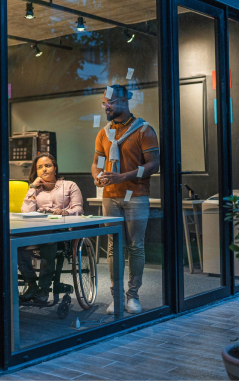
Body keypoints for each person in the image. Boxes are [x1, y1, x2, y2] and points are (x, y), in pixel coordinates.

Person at [91, 84, 160, 315]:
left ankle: (133, 296)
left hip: (136, 195)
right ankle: (117, 297)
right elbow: (97, 164)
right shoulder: (104, 133)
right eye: (104, 103)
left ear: (123, 101)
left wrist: (123, 176)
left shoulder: (144, 130)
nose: (106, 106)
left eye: (109, 102)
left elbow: (153, 165)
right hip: (110, 197)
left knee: (136, 247)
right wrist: (97, 177)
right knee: (113, 248)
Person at [18, 153, 84, 303]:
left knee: (49, 242)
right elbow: (27, 212)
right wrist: (33, 187)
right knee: (16, 245)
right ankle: (31, 284)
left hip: (62, 232)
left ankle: (44, 288)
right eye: (40, 167)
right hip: (39, 230)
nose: (44, 170)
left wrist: (65, 212)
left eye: (47, 166)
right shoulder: (37, 189)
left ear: (55, 168)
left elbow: (78, 209)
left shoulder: (69, 185)